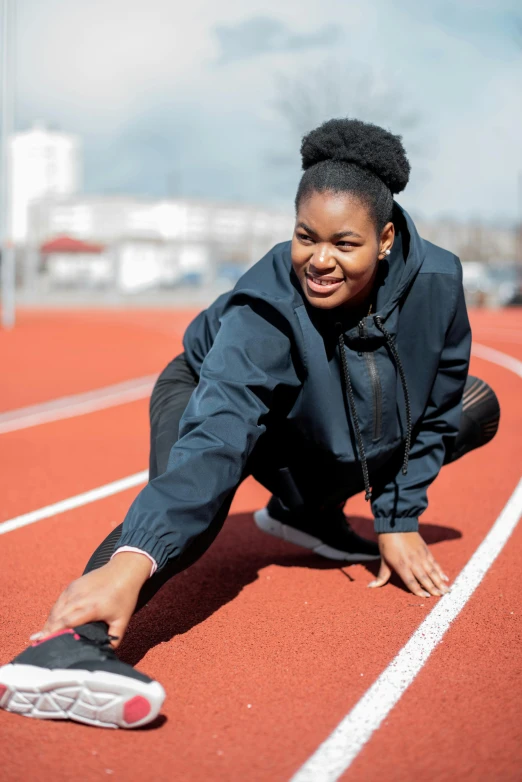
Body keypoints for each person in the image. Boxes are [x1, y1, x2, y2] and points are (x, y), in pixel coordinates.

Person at [0, 119, 499, 729]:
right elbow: (216, 439)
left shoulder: (439, 284)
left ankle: (303, 514)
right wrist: (134, 560)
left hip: (312, 409)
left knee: (475, 406)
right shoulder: (264, 310)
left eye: (344, 244)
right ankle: (67, 646)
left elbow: (437, 408)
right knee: (196, 506)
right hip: (206, 391)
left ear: (386, 238)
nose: (319, 260)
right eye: (304, 237)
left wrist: (398, 518)